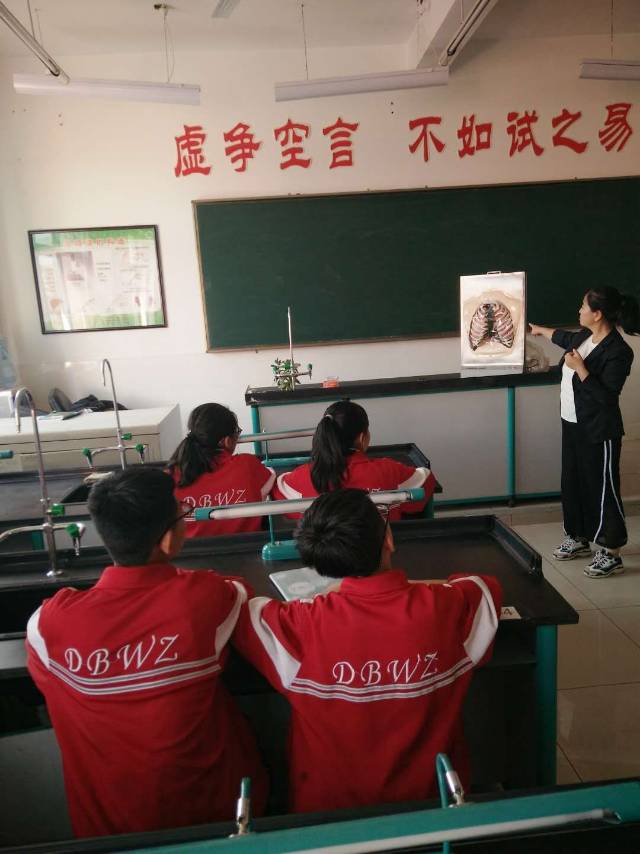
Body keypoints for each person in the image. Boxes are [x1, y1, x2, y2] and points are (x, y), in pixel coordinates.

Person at [26, 467, 268, 838]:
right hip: (216, 821)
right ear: (168, 541)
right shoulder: (204, 597)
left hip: (106, 833)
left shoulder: (48, 624)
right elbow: (239, 591)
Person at [233, 488, 502, 813]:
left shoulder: (299, 626)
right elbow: (483, 586)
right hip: (435, 804)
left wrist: (336, 592)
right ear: (388, 539)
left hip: (327, 814)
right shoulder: (442, 608)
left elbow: (236, 599)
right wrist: (409, 587)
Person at [530, 286, 639, 578]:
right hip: (572, 422)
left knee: (602, 488)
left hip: (599, 429)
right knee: (573, 481)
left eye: (583, 306)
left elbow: (606, 397)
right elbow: (563, 338)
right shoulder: (583, 336)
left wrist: (580, 368)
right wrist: (538, 330)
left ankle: (611, 551)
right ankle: (578, 537)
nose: (579, 310)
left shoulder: (619, 351)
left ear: (598, 313)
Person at [273, 399, 436, 519]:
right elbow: (427, 481)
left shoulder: (303, 476)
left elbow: (277, 492)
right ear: (362, 438)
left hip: (323, 555)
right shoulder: (388, 471)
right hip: (378, 553)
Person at [168, 403, 275, 537]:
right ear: (227, 441)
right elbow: (270, 481)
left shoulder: (169, 477)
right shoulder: (248, 465)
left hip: (188, 550)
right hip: (249, 547)